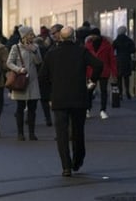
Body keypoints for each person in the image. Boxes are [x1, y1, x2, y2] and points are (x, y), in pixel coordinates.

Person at [41, 25, 103, 176]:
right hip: (78, 97)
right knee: (78, 131)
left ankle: (66, 166)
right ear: (74, 37)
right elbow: (98, 65)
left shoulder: (52, 54)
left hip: (59, 98)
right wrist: (92, 81)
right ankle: (78, 159)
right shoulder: (81, 51)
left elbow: (42, 76)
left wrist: (49, 95)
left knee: (61, 134)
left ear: (60, 37)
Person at [7, 25, 43, 140]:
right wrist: (19, 69)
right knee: (20, 107)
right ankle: (20, 133)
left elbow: (39, 62)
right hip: (20, 80)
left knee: (33, 108)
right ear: (24, 36)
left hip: (32, 80)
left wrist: (34, 51)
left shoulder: (36, 46)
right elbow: (9, 63)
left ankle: (32, 133)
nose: (32, 36)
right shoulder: (15, 48)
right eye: (30, 34)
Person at [84, 27, 117, 119]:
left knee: (103, 91)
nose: (93, 37)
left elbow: (112, 59)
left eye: (94, 35)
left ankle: (103, 110)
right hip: (91, 72)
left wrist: (114, 73)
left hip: (104, 71)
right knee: (89, 91)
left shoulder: (107, 45)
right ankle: (88, 109)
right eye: (92, 35)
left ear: (98, 35)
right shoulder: (88, 45)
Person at [112, 26, 136, 100]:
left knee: (119, 77)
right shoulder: (129, 40)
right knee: (126, 77)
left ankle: (120, 93)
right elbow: (133, 50)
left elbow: (112, 49)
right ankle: (127, 91)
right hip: (126, 59)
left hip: (119, 60)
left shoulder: (116, 40)